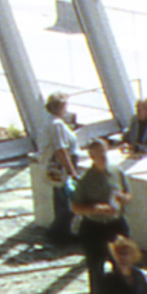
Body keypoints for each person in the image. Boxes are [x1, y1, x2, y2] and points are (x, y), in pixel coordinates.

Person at [70, 140, 130, 294]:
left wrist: (123, 198)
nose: (103, 156)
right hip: (94, 227)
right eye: (98, 153)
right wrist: (97, 208)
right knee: (96, 269)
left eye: (104, 151)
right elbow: (75, 206)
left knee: (122, 264)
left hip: (116, 224)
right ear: (92, 156)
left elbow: (128, 193)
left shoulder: (117, 172)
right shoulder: (86, 180)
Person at [42, 92, 82, 244]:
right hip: (61, 167)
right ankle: (58, 233)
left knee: (60, 200)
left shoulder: (49, 121)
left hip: (56, 167)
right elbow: (60, 149)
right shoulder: (57, 124)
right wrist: (71, 170)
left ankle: (60, 232)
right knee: (67, 201)